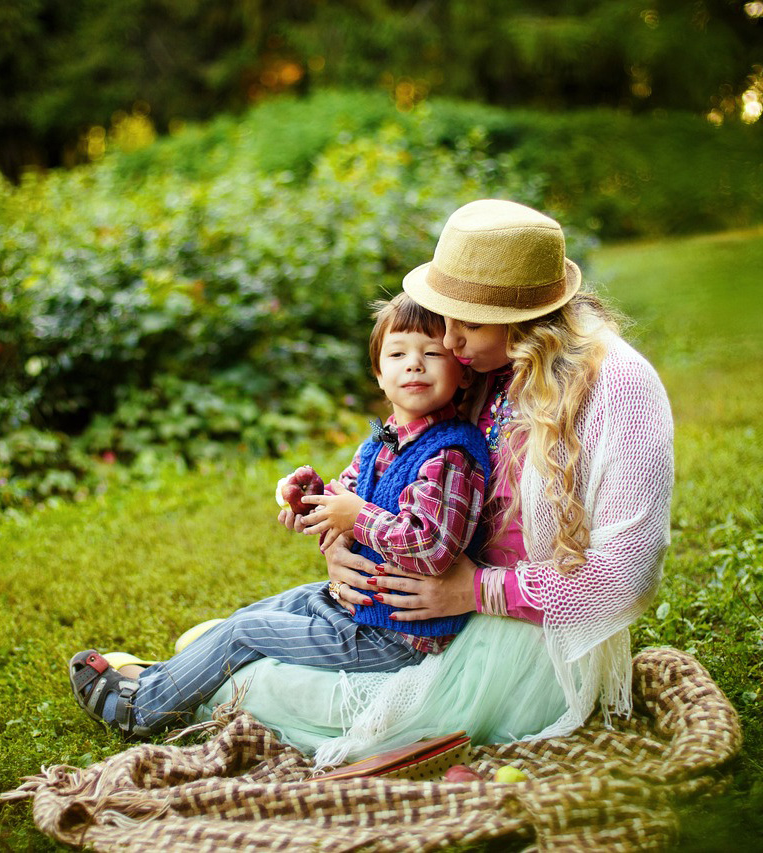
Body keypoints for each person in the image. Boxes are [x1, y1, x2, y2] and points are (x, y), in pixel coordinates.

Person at [196, 199, 674, 767]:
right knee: (224, 642)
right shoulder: (477, 367)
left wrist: (473, 590)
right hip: (414, 619)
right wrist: (341, 545)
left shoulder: (619, 387)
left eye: (466, 322)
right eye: (443, 316)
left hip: (522, 640)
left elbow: (626, 578)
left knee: (250, 679)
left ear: (522, 320)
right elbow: (404, 480)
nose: (447, 341)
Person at [68, 293, 490, 737]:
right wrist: (311, 499)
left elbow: (433, 547)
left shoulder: (450, 454)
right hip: (358, 606)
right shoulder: (382, 442)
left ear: (461, 373)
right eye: (398, 353)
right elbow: (343, 500)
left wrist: (357, 516)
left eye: (432, 353)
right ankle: (164, 681)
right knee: (252, 613)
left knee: (246, 632)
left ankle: (140, 712)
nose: (414, 365)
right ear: (379, 375)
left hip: (398, 636)